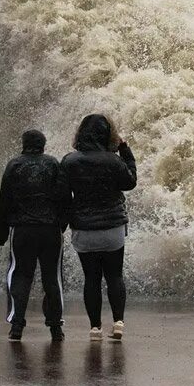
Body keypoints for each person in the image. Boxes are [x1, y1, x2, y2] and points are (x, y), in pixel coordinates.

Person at [59, 114, 137, 341]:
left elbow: (63, 197)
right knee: (114, 276)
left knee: (91, 279)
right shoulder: (113, 161)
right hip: (112, 229)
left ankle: (95, 328)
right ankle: (119, 323)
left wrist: (62, 225)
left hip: (84, 230)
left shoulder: (70, 161)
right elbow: (130, 182)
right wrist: (124, 149)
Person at [0, 129, 69, 342]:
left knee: (20, 276)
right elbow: (65, 198)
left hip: (23, 230)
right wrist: (61, 224)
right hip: (50, 230)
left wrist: (0, 233)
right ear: (43, 145)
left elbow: (4, 201)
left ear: (23, 144)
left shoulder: (14, 165)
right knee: (52, 278)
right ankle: (56, 328)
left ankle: (17, 326)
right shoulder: (53, 164)